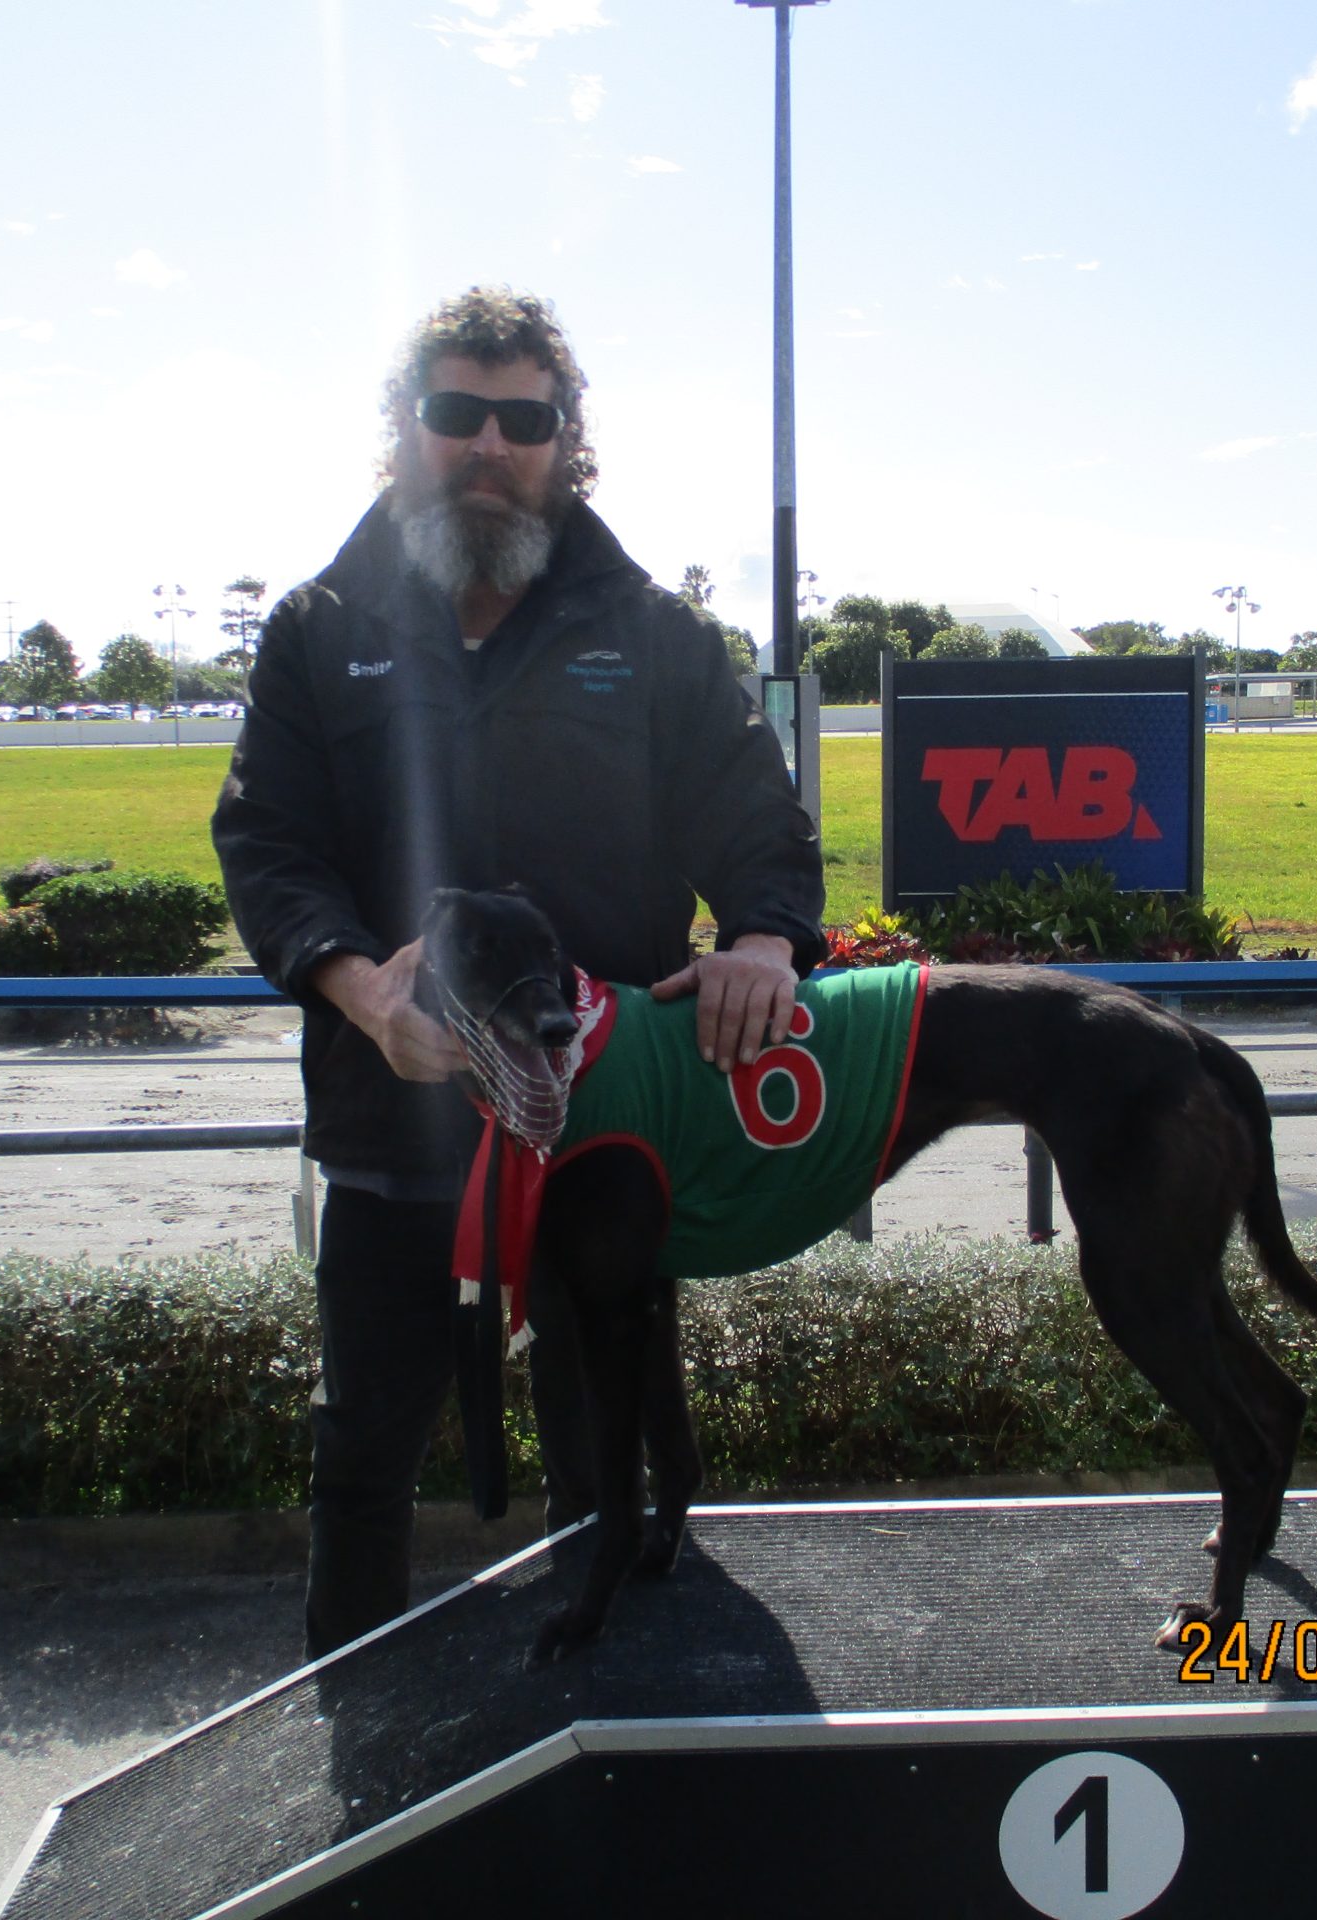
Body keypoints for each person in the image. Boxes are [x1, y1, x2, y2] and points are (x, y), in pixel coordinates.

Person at [211, 287, 825, 1657]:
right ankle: (358, 1742)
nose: (490, 444)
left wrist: (765, 943)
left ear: (564, 444)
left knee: (605, 1460)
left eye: (524, 421)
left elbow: (759, 825)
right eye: (457, 412)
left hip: (602, 1137)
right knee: (362, 1461)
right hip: (394, 1128)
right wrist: (361, 987)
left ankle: (607, 1724)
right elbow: (267, 844)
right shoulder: (319, 626)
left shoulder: (652, 632)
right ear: (407, 430)